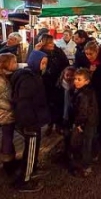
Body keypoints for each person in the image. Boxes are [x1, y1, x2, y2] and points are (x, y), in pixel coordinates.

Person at [10, 50, 50, 193]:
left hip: (34, 119)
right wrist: (29, 122)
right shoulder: (28, 79)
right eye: (42, 63)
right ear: (35, 61)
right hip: (30, 121)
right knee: (31, 148)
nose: (44, 66)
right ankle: (24, 180)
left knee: (32, 148)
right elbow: (23, 103)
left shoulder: (33, 75)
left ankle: (32, 169)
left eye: (46, 63)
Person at [35, 34, 69, 135]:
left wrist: (63, 75)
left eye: (52, 42)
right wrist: (35, 51)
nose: (52, 44)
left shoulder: (58, 51)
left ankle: (58, 124)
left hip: (58, 82)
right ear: (44, 43)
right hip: (46, 82)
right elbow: (32, 64)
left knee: (59, 103)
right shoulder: (39, 52)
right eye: (49, 43)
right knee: (48, 104)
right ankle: (50, 124)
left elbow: (66, 64)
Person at [68, 68, 99, 177]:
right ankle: (95, 155)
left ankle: (86, 166)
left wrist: (79, 124)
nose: (76, 81)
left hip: (85, 122)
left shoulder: (83, 95)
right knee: (92, 138)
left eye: (79, 79)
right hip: (92, 120)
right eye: (75, 79)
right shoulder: (88, 91)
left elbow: (83, 112)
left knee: (85, 143)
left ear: (87, 81)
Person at [0, 53, 18, 175]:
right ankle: (8, 164)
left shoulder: (5, 76)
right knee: (7, 137)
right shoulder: (2, 81)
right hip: (5, 113)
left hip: (4, 112)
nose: (17, 64)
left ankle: (9, 160)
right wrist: (13, 107)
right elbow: (5, 99)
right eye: (14, 62)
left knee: (7, 137)